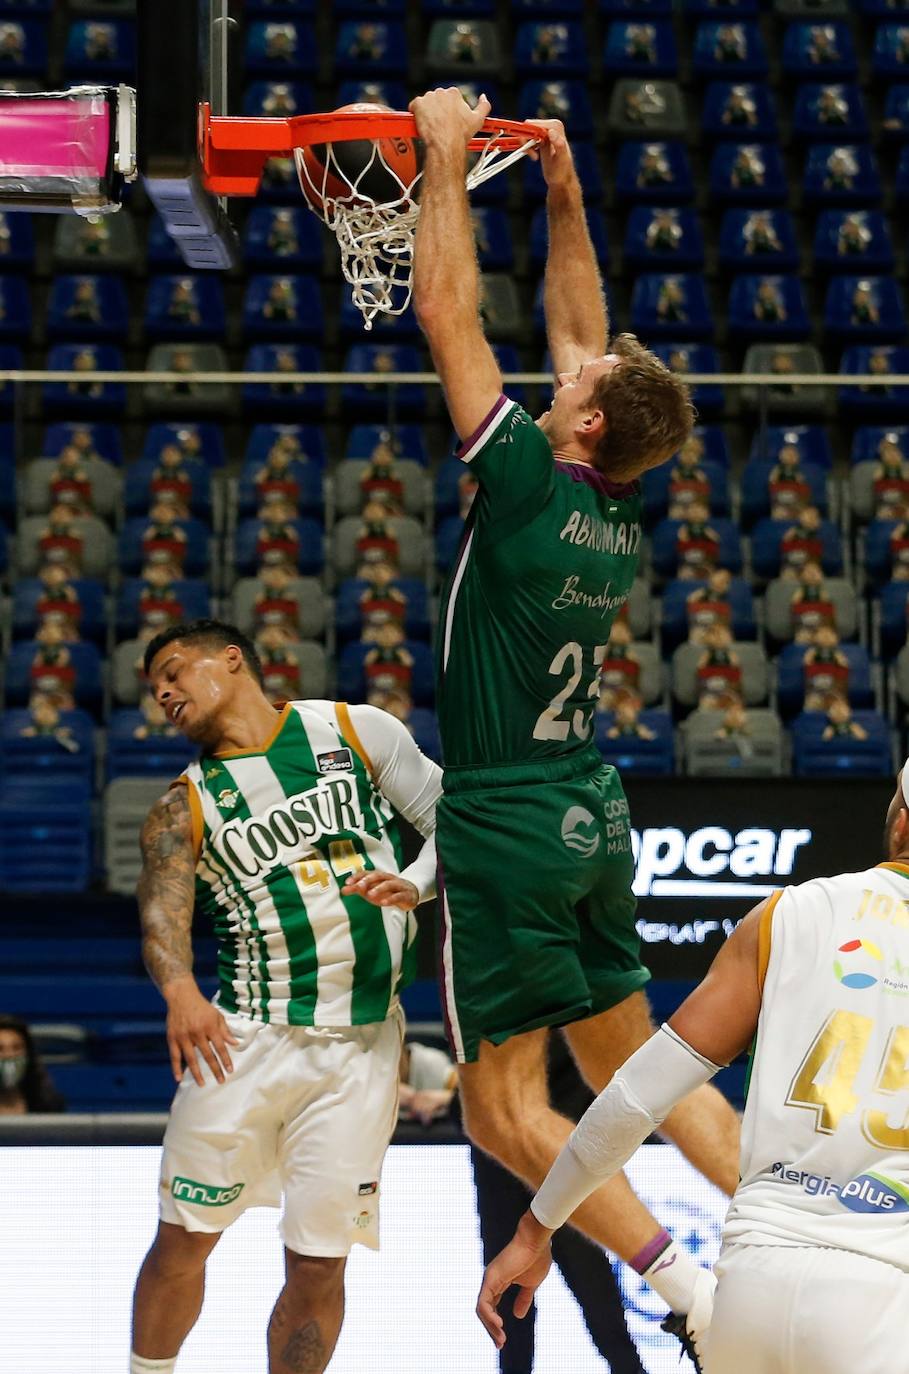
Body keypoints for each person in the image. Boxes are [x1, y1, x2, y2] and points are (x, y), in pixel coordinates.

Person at [409, 87, 740, 1357]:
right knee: (636, 1068)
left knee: (501, 1112)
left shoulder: (530, 483)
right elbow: (581, 327)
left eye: (580, 382)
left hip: (505, 810)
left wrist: (444, 156)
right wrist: (561, 189)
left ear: (585, 421)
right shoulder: (609, 501)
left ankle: (686, 1285)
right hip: (591, 809)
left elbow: (449, 313)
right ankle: (796, 1212)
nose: (573, 366)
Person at [478, 765, 909, 1374]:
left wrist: (533, 1229)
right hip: (885, 1301)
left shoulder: (787, 914)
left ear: (900, 824)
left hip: (751, 1291)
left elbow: (633, 1097)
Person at [130, 618, 443, 1374]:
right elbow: (161, 914)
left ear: (231, 660)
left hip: (363, 1045)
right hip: (244, 1042)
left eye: (173, 671)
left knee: (318, 1261)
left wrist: (419, 881)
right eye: (153, 689)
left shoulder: (352, 729)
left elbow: (455, 819)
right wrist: (178, 989)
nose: (163, 693)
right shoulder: (184, 805)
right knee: (185, 1237)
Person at [0, 1014, 66, 1115]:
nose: (9, 1055)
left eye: (17, 1048)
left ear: (28, 1055)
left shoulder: (47, 1105)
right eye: (0, 1049)